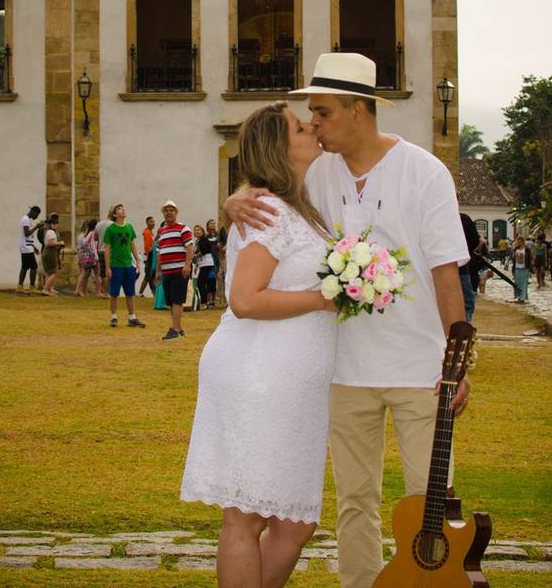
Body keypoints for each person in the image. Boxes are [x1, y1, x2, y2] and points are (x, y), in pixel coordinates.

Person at [224, 53, 470, 588]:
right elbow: (271, 194)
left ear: (358, 110)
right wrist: (236, 198)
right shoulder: (319, 170)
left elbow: (447, 273)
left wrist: (456, 361)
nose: (313, 123)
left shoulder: (425, 172)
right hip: (343, 367)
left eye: (323, 112)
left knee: (431, 497)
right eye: (310, 115)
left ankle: (433, 582)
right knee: (355, 501)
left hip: (419, 367)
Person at [181, 101, 338, 587]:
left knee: (296, 522)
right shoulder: (267, 208)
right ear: (277, 146)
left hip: (293, 381)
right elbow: (245, 299)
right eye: (298, 126)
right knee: (246, 516)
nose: (311, 126)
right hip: (260, 374)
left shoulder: (297, 205)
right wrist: (323, 298)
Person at [156, 200, 195, 339]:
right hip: (166, 271)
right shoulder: (162, 231)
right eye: (166, 210)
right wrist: (158, 271)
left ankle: (175, 329)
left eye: (171, 210)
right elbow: (160, 251)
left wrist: (187, 265)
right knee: (171, 301)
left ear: (176, 212)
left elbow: (189, 247)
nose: (168, 213)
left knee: (177, 300)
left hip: (179, 270)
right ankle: (179, 328)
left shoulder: (183, 229)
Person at [103, 204, 146, 328]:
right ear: (115, 214)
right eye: (120, 209)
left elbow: (132, 244)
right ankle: (114, 317)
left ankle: (132, 317)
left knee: (130, 293)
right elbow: (107, 249)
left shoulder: (129, 227)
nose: (123, 210)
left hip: (128, 265)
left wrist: (137, 261)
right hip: (115, 265)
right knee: (114, 293)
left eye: (123, 209)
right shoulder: (111, 229)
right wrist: (107, 267)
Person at [17, 206, 44, 293]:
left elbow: (28, 237)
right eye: (37, 214)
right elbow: (26, 233)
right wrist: (36, 226)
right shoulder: (25, 220)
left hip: (27, 246)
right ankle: (32, 287)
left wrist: (34, 247)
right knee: (34, 267)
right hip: (26, 248)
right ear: (34, 212)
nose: (37, 217)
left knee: (24, 267)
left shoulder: (27, 220)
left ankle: (20, 286)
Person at [459, 213, 481, 322]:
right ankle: (465, 324)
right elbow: (475, 241)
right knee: (467, 301)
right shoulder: (464, 219)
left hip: (435, 266)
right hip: (461, 266)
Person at [40, 213, 65, 296]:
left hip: (48, 252)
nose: (56, 225)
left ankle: (49, 288)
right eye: (55, 223)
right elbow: (51, 243)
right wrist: (60, 243)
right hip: (50, 252)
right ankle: (46, 289)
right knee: (53, 272)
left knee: (49, 272)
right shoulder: (51, 232)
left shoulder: (48, 231)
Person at [75, 219, 100, 297]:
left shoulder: (86, 234)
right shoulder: (92, 234)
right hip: (93, 256)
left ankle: (79, 290)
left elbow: (84, 244)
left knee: (84, 274)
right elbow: (91, 245)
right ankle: (97, 292)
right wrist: (95, 255)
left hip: (87, 256)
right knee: (97, 274)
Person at [194, 224, 216, 309]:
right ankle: (207, 302)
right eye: (195, 230)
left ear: (202, 231)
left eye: (199, 230)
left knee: (201, 283)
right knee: (204, 283)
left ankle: (204, 302)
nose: (197, 231)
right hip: (204, 263)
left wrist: (195, 255)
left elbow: (205, 250)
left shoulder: (203, 239)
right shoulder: (198, 240)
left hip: (207, 263)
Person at [94, 211, 114, 299]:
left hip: (101, 250)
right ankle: (111, 292)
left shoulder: (99, 224)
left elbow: (95, 237)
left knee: (103, 273)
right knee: (111, 271)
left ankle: (105, 293)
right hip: (111, 251)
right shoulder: (114, 225)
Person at [138, 215, 157, 297]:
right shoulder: (147, 233)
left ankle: (154, 293)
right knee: (148, 276)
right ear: (147, 223)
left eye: (153, 222)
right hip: (149, 258)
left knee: (151, 277)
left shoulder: (150, 232)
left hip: (150, 257)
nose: (153, 223)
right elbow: (148, 247)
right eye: (151, 222)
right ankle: (140, 293)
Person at [512, 235, 532, 302]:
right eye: (518, 242)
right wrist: (513, 270)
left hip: (525, 268)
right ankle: (518, 296)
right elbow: (513, 260)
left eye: (520, 242)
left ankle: (522, 298)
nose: (519, 243)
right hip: (517, 268)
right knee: (517, 283)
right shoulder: (515, 249)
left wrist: (530, 269)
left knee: (524, 284)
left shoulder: (527, 250)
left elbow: (529, 259)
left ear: (523, 242)